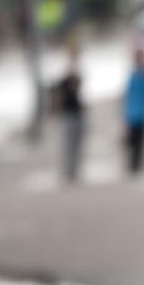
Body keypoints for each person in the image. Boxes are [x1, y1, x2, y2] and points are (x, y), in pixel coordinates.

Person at [49, 41, 86, 183]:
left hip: (77, 110)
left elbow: (78, 87)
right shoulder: (63, 69)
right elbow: (60, 90)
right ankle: (67, 172)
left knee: (77, 143)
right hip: (67, 112)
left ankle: (75, 171)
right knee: (68, 144)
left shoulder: (78, 69)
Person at [123, 55, 144, 175]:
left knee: (139, 142)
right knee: (135, 142)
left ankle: (136, 166)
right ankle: (134, 166)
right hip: (135, 114)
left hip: (141, 114)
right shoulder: (138, 77)